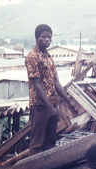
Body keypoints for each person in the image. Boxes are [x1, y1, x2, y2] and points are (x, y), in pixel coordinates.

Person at [25, 24, 75, 156]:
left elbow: (56, 82)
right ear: (37, 38)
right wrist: (49, 107)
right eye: (44, 37)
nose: (47, 39)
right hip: (40, 105)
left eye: (49, 37)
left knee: (50, 142)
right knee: (37, 143)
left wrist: (67, 100)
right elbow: (36, 84)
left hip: (52, 105)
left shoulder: (48, 57)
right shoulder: (32, 57)